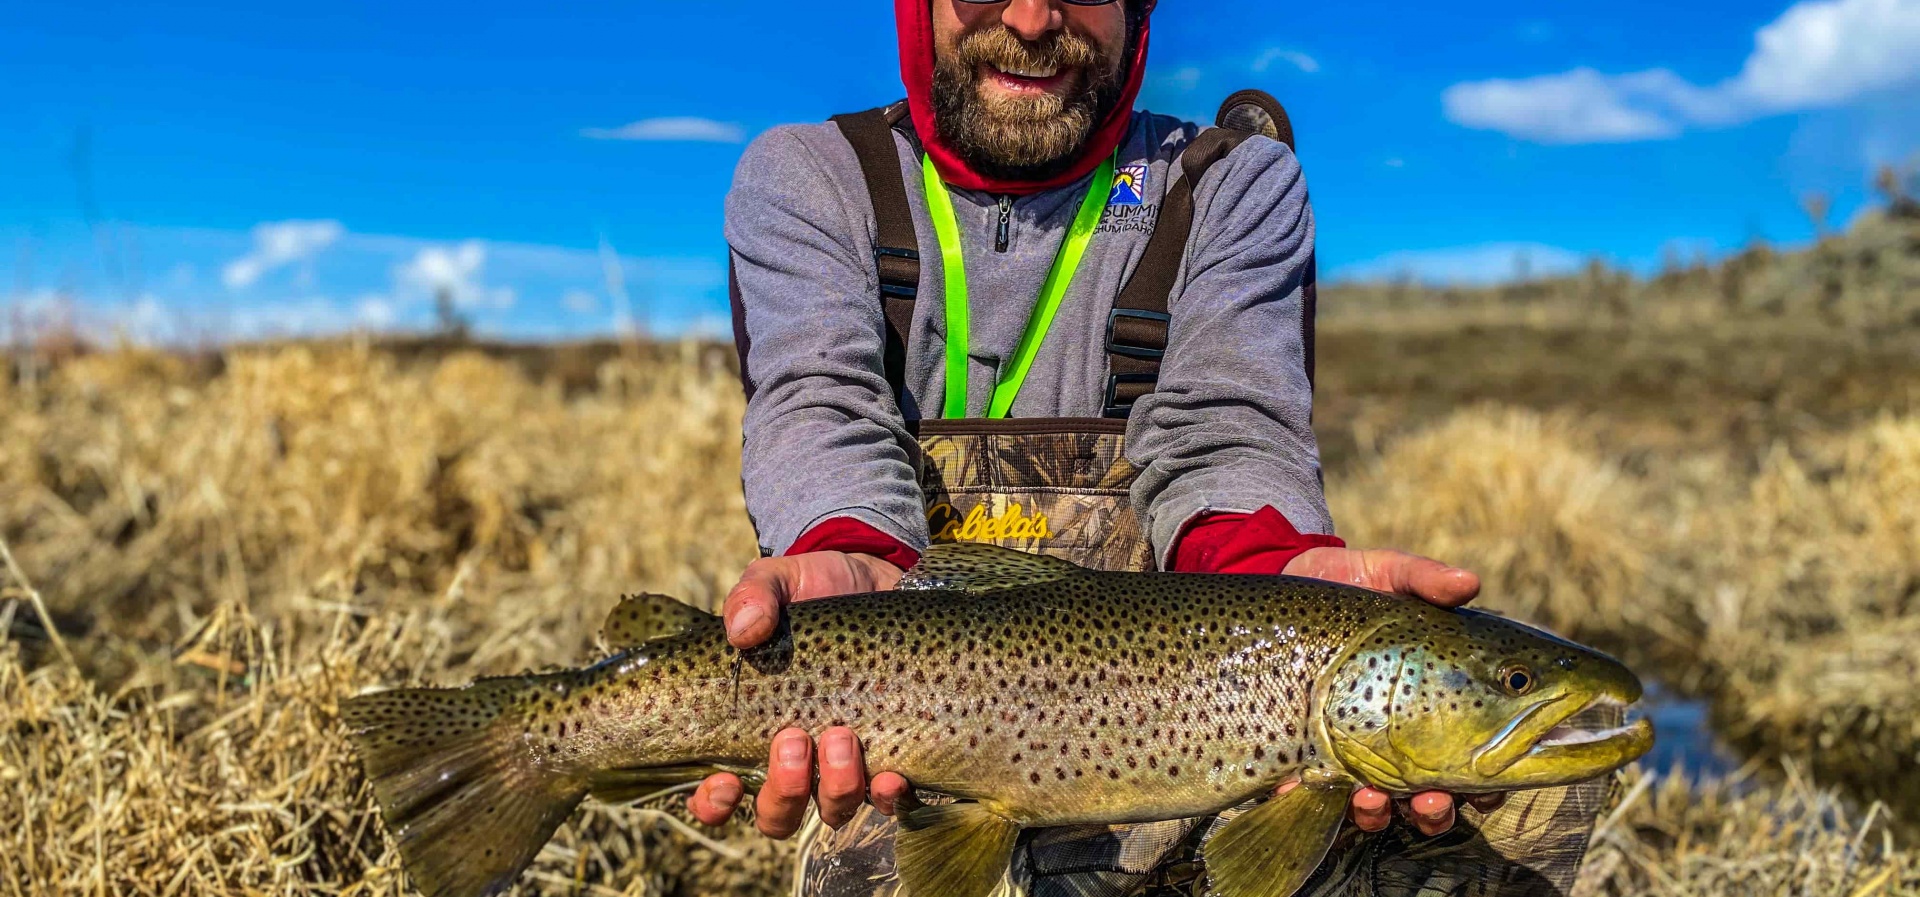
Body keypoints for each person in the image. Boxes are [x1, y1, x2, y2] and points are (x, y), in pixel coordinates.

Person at [698, 1, 1613, 895]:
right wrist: (851, 552)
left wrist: (1267, 565)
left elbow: (1226, 425)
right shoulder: (813, 175)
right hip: (907, 712)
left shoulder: (1231, 182)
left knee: (1513, 797)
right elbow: (821, 405)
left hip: (1187, 715)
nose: (1030, 18)